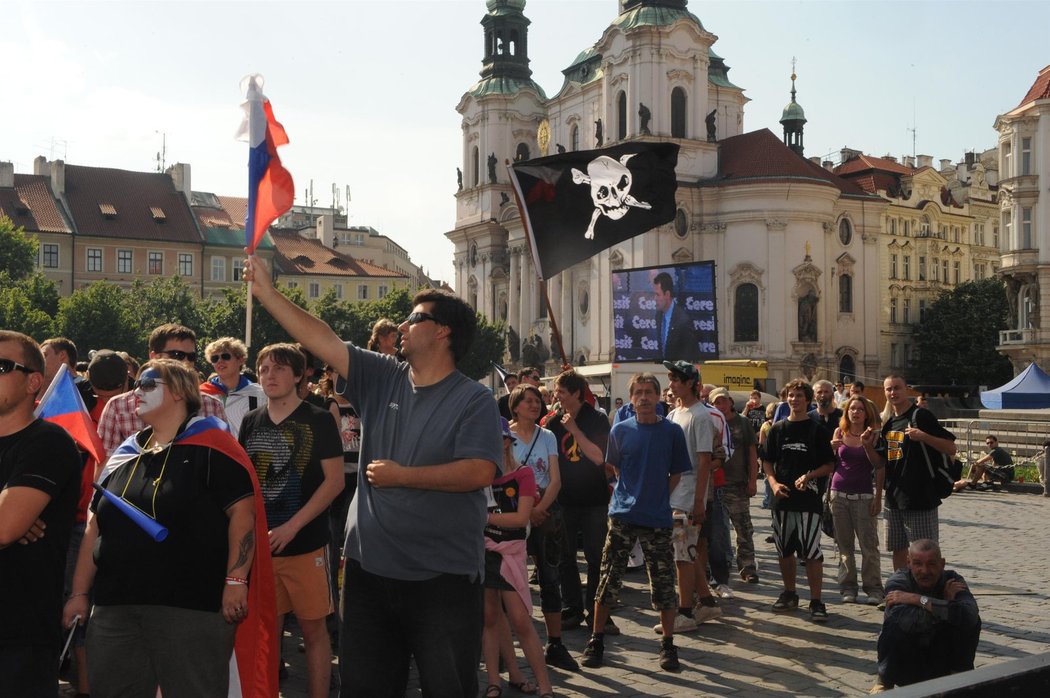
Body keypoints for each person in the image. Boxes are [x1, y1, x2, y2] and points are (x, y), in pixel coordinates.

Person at [244, 254, 502, 697]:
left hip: (441, 579)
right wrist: (268, 294)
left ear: (443, 332)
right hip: (367, 572)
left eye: (414, 318)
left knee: (448, 688)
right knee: (365, 688)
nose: (402, 326)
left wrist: (404, 476)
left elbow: (479, 470)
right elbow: (323, 339)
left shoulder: (473, 399)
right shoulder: (385, 375)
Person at [63, 358, 273, 697]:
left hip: (191, 609)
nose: (136, 393)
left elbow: (243, 516)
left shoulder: (214, 447)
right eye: (136, 386)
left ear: (177, 392)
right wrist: (79, 594)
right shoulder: (124, 455)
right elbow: (93, 527)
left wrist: (236, 581)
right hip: (115, 606)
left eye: (147, 386)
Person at [239, 344, 344, 698]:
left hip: (306, 544)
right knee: (268, 632)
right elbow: (247, 484)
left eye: (280, 368)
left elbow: (335, 482)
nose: (270, 375)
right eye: (264, 368)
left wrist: (293, 526)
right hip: (262, 549)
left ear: (299, 375)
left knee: (315, 632)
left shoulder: (318, 419)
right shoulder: (250, 422)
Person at [581, 373, 691, 672]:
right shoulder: (620, 430)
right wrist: (632, 494)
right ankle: (596, 638)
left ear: (658, 397)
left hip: (657, 518)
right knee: (607, 581)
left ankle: (668, 643)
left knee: (664, 585)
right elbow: (614, 466)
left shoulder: (672, 432)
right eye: (638, 393)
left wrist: (656, 496)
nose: (643, 397)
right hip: (622, 515)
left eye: (648, 392)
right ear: (631, 398)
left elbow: (677, 473)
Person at [0, 331, 81, 697]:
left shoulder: (48, 441)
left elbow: (4, 527)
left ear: (34, 381)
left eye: (2, 366)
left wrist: (13, 516)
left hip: (18, 636)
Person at [482, 418, 554, 698]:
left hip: (510, 554)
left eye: (497, 438)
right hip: (485, 552)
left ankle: (545, 685)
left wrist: (484, 518)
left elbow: (522, 518)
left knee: (521, 621)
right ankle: (493, 680)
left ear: (506, 441)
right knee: (488, 618)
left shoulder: (523, 474)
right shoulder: (481, 474)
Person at [508, 385, 577, 673]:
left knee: (549, 577)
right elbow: (504, 473)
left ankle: (555, 643)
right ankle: (509, 646)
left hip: (545, 512)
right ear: (515, 405)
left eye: (537, 400)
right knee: (509, 580)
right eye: (528, 401)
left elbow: (556, 478)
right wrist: (526, 510)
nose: (534, 405)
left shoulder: (547, 435)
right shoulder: (505, 435)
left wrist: (538, 509)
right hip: (513, 514)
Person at [862, 375, 956, 573]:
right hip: (894, 496)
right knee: (898, 549)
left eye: (897, 388)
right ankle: (900, 589)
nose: (893, 393)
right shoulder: (888, 423)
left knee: (925, 551)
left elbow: (950, 447)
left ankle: (926, 592)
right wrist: (867, 447)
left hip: (920, 495)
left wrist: (923, 436)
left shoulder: (920, 416)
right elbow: (881, 463)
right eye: (889, 389)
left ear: (907, 389)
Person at [762, 379, 835, 621]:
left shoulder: (817, 431)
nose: (794, 400)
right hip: (782, 499)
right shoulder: (777, 429)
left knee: (812, 551)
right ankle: (789, 593)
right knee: (784, 549)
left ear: (808, 400)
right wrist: (773, 484)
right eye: (790, 396)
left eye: (799, 396)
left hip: (809, 500)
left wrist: (810, 475)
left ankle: (816, 601)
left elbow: (829, 464)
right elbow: (767, 462)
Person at [97, 324, 228, 456]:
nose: (186, 362)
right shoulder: (118, 407)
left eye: (191, 357)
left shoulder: (212, 405)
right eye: (177, 355)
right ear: (154, 357)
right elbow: (106, 470)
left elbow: (224, 460)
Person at [547, 369, 612, 634]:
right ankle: (572, 607)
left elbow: (599, 457)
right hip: (564, 501)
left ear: (576, 393)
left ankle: (597, 610)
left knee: (597, 557)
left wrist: (574, 430)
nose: (557, 397)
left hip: (594, 500)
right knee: (565, 557)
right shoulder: (553, 423)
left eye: (562, 392)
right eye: (556, 392)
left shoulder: (596, 419)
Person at [660, 361, 720, 635]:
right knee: (688, 550)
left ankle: (684, 611)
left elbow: (705, 460)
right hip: (674, 492)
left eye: (676, 379)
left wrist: (700, 501)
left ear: (690, 383)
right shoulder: (674, 414)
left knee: (682, 555)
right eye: (671, 378)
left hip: (689, 495)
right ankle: (706, 600)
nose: (671, 384)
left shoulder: (701, 416)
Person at [872, 539, 980, 692]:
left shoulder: (952, 580)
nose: (925, 571)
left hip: (943, 659)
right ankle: (885, 682)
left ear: (942, 564)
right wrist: (947, 606)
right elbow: (908, 621)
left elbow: (969, 615)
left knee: (970, 622)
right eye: (918, 564)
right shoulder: (898, 581)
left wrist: (918, 600)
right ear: (909, 562)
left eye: (931, 564)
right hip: (908, 663)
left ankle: (959, 677)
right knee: (895, 623)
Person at [829, 397, 885, 605]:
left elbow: (879, 466)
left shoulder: (873, 435)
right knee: (844, 546)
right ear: (847, 412)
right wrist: (831, 448)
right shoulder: (839, 432)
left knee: (869, 546)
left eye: (860, 409)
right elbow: (831, 462)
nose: (856, 412)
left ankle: (873, 589)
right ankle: (847, 587)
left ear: (866, 413)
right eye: (852, 408)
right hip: (839, 494)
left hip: (863, 496)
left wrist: (878, 497)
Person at [709, 387, 760, 585]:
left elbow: (752, 452)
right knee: (717, 532)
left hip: (738, 483)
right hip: (715, 484)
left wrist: (753, 480)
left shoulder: (742, 422)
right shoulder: (710, 422)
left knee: (744, 529)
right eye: (716, 402)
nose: (720, 405)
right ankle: (720, 567)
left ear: (730, 402)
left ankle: (747, 567)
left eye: (723, 401)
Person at [200, 337, 267, 438]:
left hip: (246, 452)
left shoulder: (260, 394)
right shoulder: (202, 394)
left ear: (241, 360)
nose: (220, 361)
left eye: (225, 356)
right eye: (215, 358)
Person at [651, 272, 697, 361]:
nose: (655, 298)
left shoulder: (684, 320)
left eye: (657, 294)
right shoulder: (658, 316)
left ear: (667, 294)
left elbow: (689, 355)